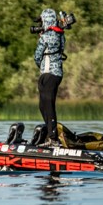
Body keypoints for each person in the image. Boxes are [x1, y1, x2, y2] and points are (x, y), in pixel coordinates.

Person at [34, 8, 66, 146]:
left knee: (46, 105)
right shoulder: (61, 35)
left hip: (48, 73)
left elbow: (37, 56)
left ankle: (53, 139)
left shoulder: (46, 36)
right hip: (57, 74)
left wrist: (41, 38)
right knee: (45, 105)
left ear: (45, 20)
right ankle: (50, 135)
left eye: (42, 21)